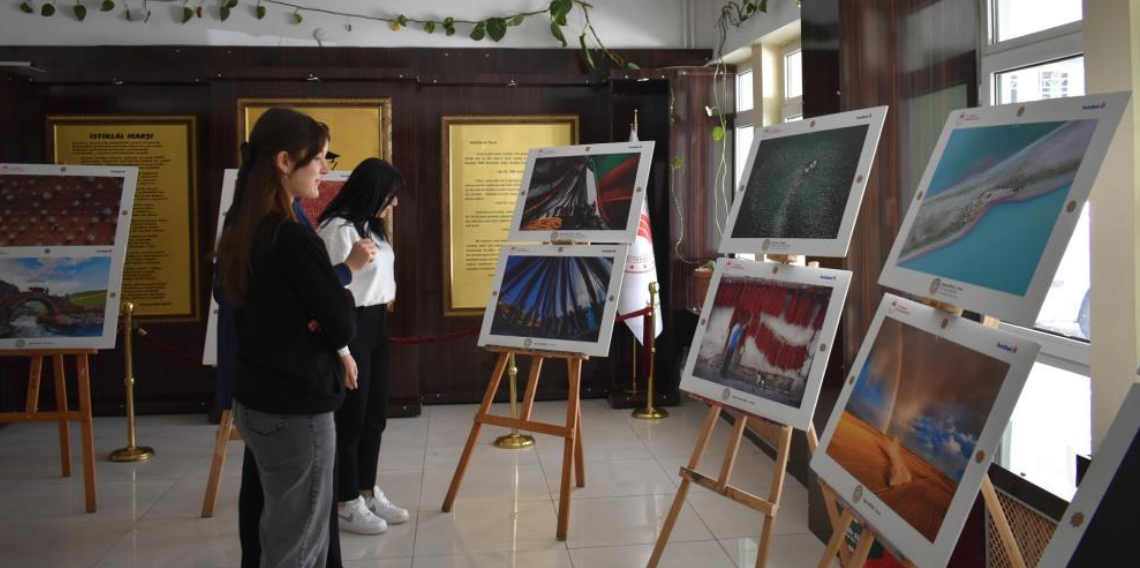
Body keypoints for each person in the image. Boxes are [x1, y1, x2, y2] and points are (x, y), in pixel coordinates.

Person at [216, 106, 356, 568]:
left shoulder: (240, 225)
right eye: (318, 158)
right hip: (296, 409)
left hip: (255, 399)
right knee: (298, 543)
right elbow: (340, 322)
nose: (324, 169)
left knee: (275, 523)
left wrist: (314, 312)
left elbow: (252, 304)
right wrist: (324, 311)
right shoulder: (291, 236)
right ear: (283, 161)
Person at [316, 158, 410, 535]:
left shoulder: (373, 227)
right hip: (351, 325)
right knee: (350, 420)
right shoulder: (336, 230)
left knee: (375, 416)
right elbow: (327, 292)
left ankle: (367, 490)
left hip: (378, 324)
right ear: (373, 192)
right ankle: (345, 500)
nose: (395, 203)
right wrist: (342, 350)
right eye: (391, 195)